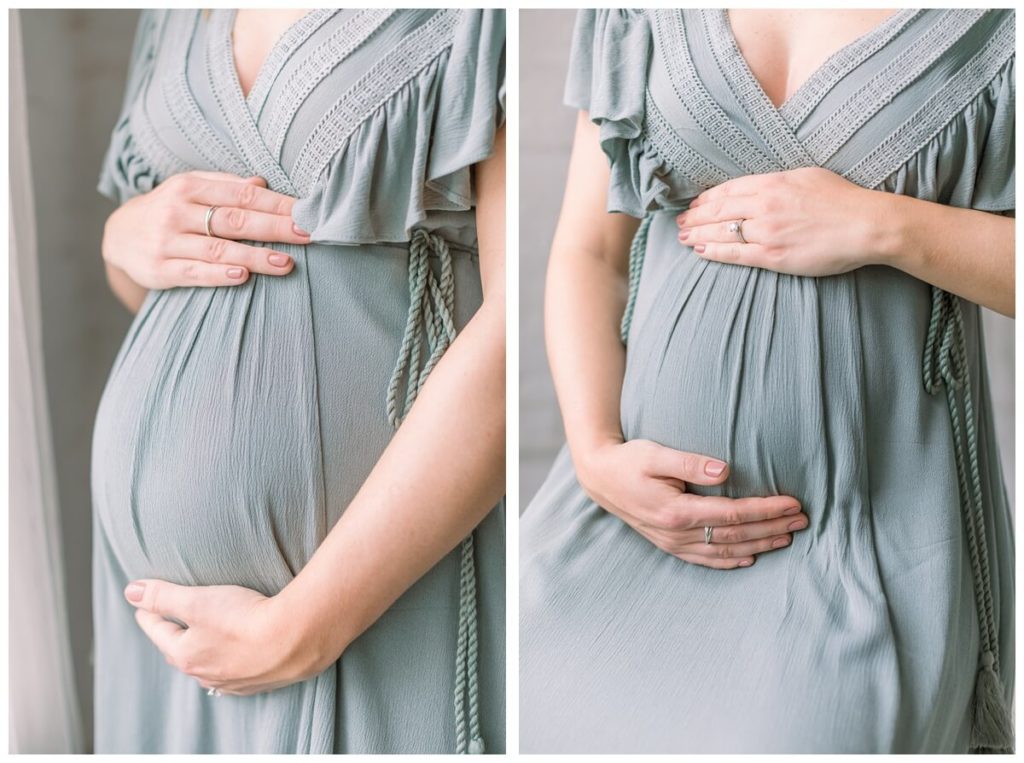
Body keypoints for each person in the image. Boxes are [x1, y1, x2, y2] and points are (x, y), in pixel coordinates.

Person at [520, 8, 1014, 754]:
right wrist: (594, 454)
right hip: (620, 515)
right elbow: (589, 251)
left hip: (852, 551)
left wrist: (884, 226)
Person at [92, 9, 505, 753]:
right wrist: (124, 235)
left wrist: (301, 629)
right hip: (163, 639)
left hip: (371, 595)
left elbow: (516, 322)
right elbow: (148, 290)